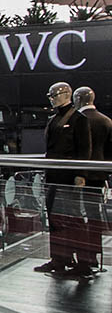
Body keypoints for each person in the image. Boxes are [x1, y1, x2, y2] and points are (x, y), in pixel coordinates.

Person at [37, 82, 92, 273]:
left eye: (54, 95)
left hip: (69, 177)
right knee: (54, 219)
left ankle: (84, 262)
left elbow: (85, 149)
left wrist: (80, 174)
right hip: (53, 176)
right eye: (50, 95)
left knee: (74, 219)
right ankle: (59, 258)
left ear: (66, 94)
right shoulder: (53, 119)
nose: (52, 98)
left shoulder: (79, 119)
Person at [74, 86, 111, 273]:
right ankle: (93, 256)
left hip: (76, 178)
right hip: (98, 176)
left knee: (75, 217)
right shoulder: (106, 121)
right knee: (94, 215)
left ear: (78, 99)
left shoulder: (76, 121)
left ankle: (81, 257)